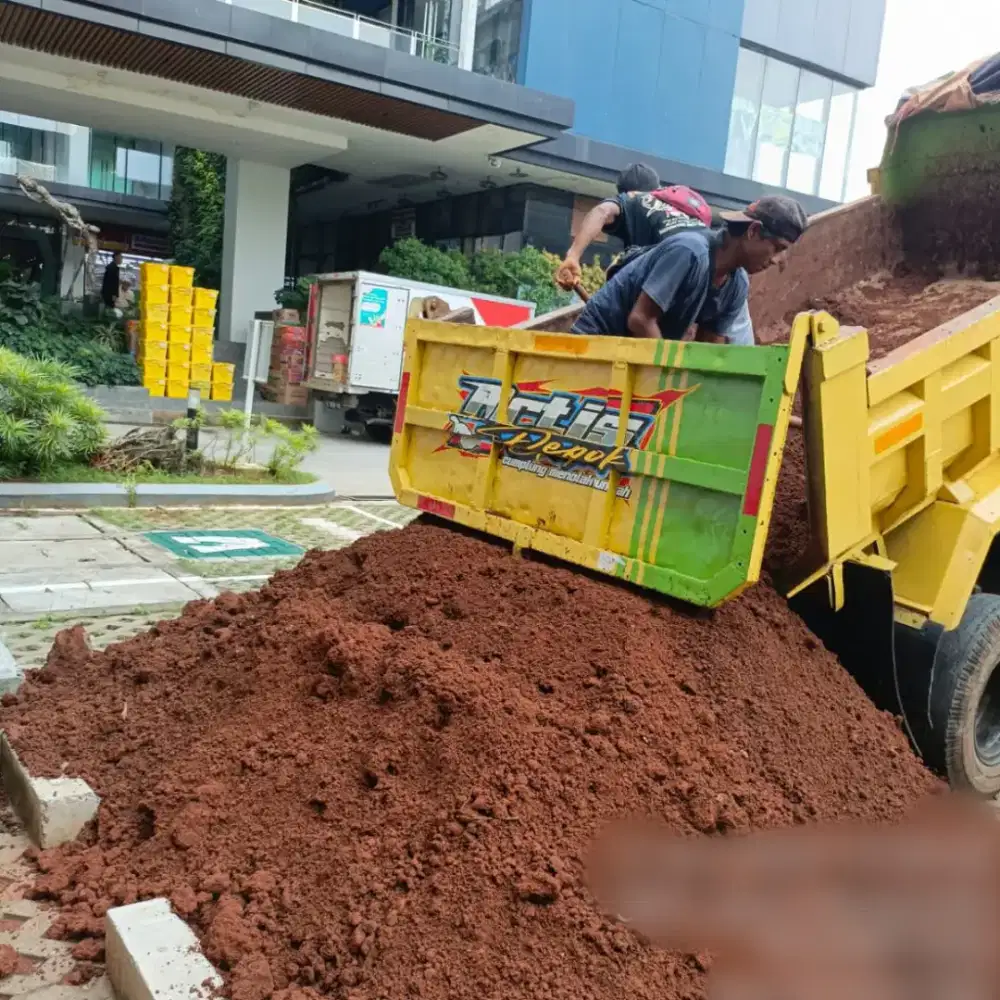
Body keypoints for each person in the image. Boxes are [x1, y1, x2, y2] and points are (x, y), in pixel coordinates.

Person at [571, 196, 808, 344]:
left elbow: (707, 349)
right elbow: (641, 320)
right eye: (777, 248)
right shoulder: (690, 252)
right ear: (753, 231)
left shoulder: (737, 285)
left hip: (635, 357)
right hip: (593, 344)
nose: (777, 260)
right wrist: (672, 375)